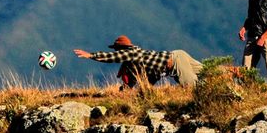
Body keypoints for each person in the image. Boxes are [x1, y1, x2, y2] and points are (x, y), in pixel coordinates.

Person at [73, 35, 204, 88]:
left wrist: (91, 55)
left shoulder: (131, 53)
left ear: (122, 49)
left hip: (175, 61)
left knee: (193, 87)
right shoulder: (136, 60)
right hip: (178, 55)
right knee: (207, 73)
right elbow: (148, 78)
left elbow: (110, 57)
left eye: (117, 49)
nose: (117, 52)